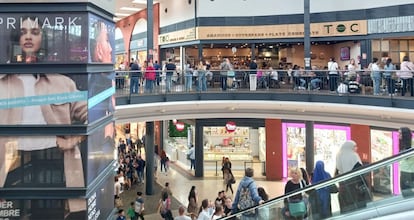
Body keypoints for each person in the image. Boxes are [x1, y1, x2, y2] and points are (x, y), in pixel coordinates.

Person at [0, 15, 88, 218]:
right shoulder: (1, 83)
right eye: (23, 32)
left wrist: (74, 139)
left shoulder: (62, 83)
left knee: (50, 214)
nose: (28, 37)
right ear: (16, 39)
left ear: (43, 40)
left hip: (55, 161)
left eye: (35, 32)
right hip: (12, 164)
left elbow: (92, 115)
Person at [336, 140, 371, 214]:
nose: (356, 148)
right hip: (354, 183)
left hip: (342, 182)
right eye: (354, 146)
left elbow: (338, 169)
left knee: (346, 203)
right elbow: (360, 169)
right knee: (355, 203)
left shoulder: (339, 155)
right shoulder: (354, 155)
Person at [399, 127, 414, 198]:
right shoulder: (403, 144)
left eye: (400, 133)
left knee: (408, 194)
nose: (399, 135)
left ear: (405, 134)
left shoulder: (412, 143)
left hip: (409, 172)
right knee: (405, 194)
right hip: (404, 171)